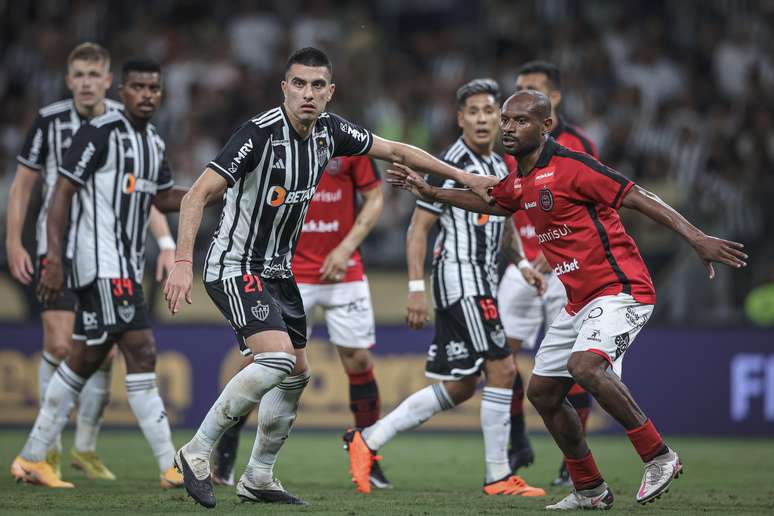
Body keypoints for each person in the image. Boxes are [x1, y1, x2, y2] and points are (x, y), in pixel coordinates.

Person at [163, 47, 499, 508]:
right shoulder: (257, 136)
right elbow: (196, 195)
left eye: (317, 85)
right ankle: (197, 452)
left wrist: (467, 177)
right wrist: (182, 262)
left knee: (297, 374)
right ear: (284, 88)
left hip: (278, 270)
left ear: (330, 92)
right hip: (235, 264)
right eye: (298, 83)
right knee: (279, 361)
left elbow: (397, 150)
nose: (308, 93)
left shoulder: (330, 132)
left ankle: (259, 476)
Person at [386, 90, 747, 509]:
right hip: (579, 301)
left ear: (546, 127)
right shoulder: (520, 177)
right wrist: (431, 192)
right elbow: (497, 203)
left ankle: (659, 455)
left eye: (520, 121)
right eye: (507, 119)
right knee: (541, 393)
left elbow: (639, 197)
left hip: (621, 289)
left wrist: (696, 238)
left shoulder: (573, 167)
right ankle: (590, 488)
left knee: (584, 365)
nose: (508, 127)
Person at [345, 78, 544, 497]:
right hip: (461, 278)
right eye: (473, 112)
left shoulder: (498, 164)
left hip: (481, 280)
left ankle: (368, 439)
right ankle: (497, 476)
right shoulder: (451, 162)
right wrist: (415, 288)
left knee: (462, 384)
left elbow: (503, 220)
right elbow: (419, 229)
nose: (483, 119)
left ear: (500, 117)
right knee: (504, 368)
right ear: (460, 119)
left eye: (490, 111)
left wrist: (523, 262)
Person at [11, 58, 187, 490]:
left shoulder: (154, 144)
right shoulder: (99, 133)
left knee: (85, 358)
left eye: (154, 88)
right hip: (98, 264)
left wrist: (212, 190)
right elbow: (60, 195)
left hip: (125, 265)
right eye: (138, 87)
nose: (147, 94)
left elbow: (162, 198)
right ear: (121, 91)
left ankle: (33, 455)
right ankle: (171, 466)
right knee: (141, 349)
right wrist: (53, 257)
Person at [209, 155, 391, 489]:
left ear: (329, 97)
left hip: (344, 270)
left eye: (318, 95)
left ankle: (369, 453)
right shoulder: (278, 144)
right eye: (303, 95)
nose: (310, 98)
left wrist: (346, 247)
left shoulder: (349, 145)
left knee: (360, 359)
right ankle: (226, 451)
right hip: (285, 271)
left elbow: (376, 197)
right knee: (266, 363)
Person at [499, 61, 598, 485]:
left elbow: (590, 205)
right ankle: (518, 435)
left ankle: (569, 460)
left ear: (551, 101)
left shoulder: (577, 145)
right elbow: (500, 200)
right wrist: (519, 256)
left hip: (564, 268)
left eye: (531, 90)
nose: (519, 96)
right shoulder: (505, 144)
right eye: (517, 89)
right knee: (501, 355)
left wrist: (550, 250)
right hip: (520, 267)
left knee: (573, 365)